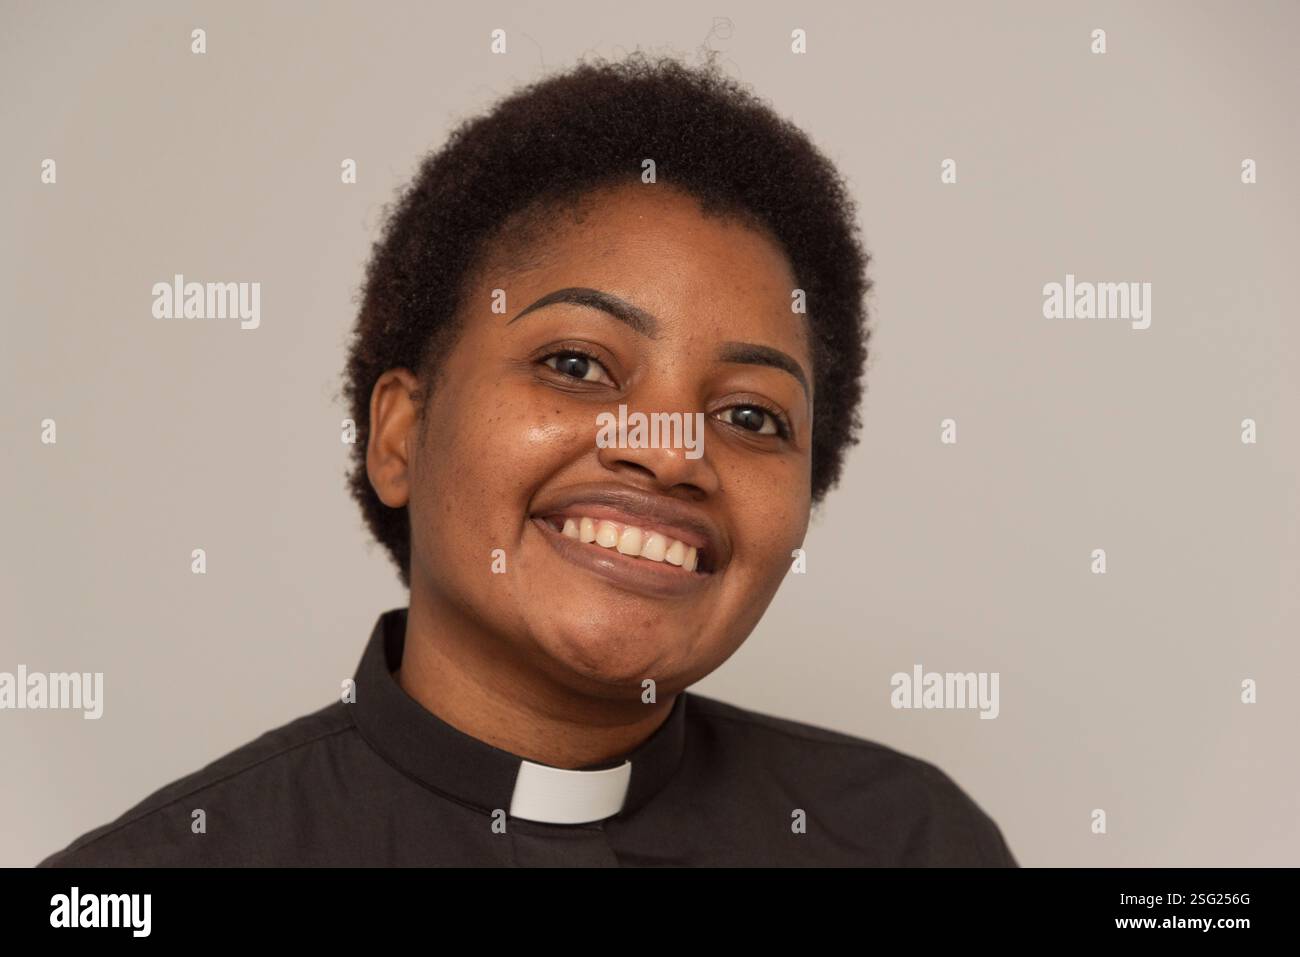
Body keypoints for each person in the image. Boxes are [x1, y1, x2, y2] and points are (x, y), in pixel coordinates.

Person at [40, 52, 1016, 867]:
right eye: (576, 363)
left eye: (752, 417)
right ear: (397, 437)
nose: (670, 454)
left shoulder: (908, 843)